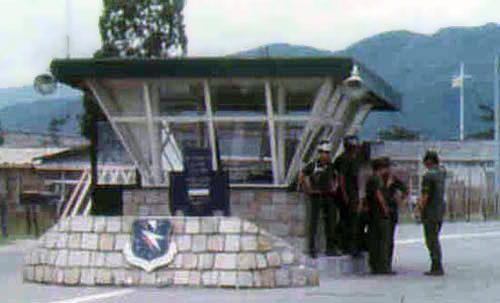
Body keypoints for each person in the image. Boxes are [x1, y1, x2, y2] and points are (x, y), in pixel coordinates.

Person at [300, 140, 339, 258]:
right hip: (316, 196)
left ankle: (330, 248)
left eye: (327, 152)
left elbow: (337, 177)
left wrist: (334, 188)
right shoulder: (313, 165)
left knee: (331, 222)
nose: (324, 155)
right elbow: (302, 175)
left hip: (329, 196)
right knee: (314, 222)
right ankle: (312, 249)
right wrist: (308, 189)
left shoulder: (331, 166)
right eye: (322, 152)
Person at [416, 150, 446, 276]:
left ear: (429, 161)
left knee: (431, 240)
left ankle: (436, 266)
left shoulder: (428, 176)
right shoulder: (441, 173)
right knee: (435, 238)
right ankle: (436, 264)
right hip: (440, 210)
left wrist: (419, 209)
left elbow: (426, 195)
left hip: (430, 211)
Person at [334, 135, 364, 256]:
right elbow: (341, 178)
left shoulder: (354, 160)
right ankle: (346, 246)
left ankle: (352, 245)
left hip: (353, 193)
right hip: (347, 194)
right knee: (348, 220)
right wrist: (345, 195)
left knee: (353, 220)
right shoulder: (344, 159)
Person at [365, 158, 392, 274]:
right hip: (379, 214)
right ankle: (383, 267)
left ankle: (375, 266)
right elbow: (379, 195)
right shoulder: (377, 179)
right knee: (383, 241)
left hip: (372, 214)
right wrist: (385, 209)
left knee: (374, 240)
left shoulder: (371, 179)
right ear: (381, 168)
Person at [383, 158, 408, 274]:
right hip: (380, 211)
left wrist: (400, 201)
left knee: (389, 239)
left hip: (391, 210)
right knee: (383, 238)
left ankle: (387, 264)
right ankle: (381, 264)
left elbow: (405, 191)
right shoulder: (378, 179)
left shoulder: (394, 180)